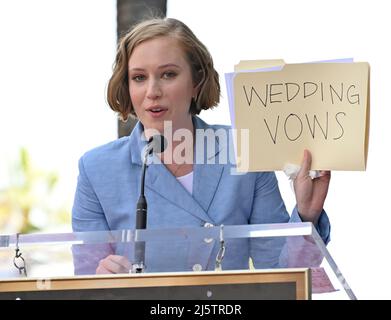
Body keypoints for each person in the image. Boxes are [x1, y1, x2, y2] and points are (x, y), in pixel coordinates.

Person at [72, 17, 331, 275]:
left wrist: (307, 215)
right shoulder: (96, 169)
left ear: (196, 82)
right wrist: (101, 280)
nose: (152, 91)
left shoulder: (242, 150)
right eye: (139, 77)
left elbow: (281, 274)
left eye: (168, 74)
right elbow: (85, 283)